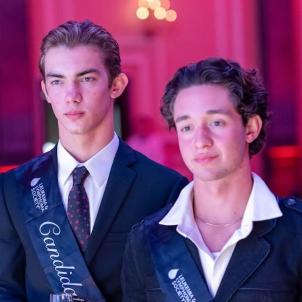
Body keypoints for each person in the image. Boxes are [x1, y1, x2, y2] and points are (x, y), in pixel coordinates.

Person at [0, 20, 188, 302]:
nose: (71, 96)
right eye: (57, 81)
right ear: (46, 91)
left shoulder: (165, 189)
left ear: (116, 85)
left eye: (86, 79)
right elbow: (6, 289)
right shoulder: (13, 189)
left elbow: (171, 290)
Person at [121, 57, 302, 301]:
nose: (200, 141)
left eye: (216, 122)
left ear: (250, 128)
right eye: (187, 127)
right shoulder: (145, 241)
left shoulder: (296, 233)